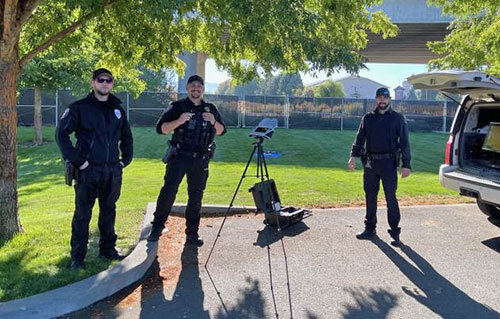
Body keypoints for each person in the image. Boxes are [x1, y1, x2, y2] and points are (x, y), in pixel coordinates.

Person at [56, 68, 133, 269]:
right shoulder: (79, 108)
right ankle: (77, 258)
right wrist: (77, 161)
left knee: (109, 211)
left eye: (108, 80)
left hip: (112, 171)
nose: (104, 83)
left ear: (112, 84)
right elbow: (61, 135)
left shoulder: (118, 109)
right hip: (87, 171)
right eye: (101, 80)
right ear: (93, 83)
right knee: (83, 214)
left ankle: (108, 249)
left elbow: (126, 136)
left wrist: (125, 160)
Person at [147, 75, 226, 245]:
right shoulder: (177, 106)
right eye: (192, 86)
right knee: (168, 192)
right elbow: (161, 129)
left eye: (199, 86)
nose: (196, 89)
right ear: (188, 88)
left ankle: (192, 233)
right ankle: (157, 228)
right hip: (180, 157)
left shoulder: (210, 108)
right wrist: (180, 120)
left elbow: (221, 131)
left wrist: (213, 121)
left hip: (201, 160)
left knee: (196, 197)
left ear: (203, 89)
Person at [348, 87, 411, 246]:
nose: (382, 100)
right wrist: (353, 156)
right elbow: (359, 138)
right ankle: (370, 229)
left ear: (389, 99)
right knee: (370, 196)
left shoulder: (397, 119)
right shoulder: (368, 118)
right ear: (376, 99)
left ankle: (395, 233)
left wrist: (406, 164)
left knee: (391, 198)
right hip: (370, 164)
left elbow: (404, 142)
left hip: (389, 164)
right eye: (379, 97)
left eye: (385, 97)